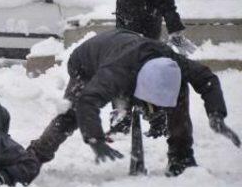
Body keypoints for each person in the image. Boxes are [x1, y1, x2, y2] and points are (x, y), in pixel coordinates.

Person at [29, 29, 239, 177]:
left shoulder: (173, 62)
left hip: (128, 47)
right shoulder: (117, 73)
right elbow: (88, 101)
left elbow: (207, 79)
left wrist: (216, 114)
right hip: (86, 61)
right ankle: (34, 156)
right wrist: (95, 139)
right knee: (72, 113)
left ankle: (181, 157)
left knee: (179, 89)